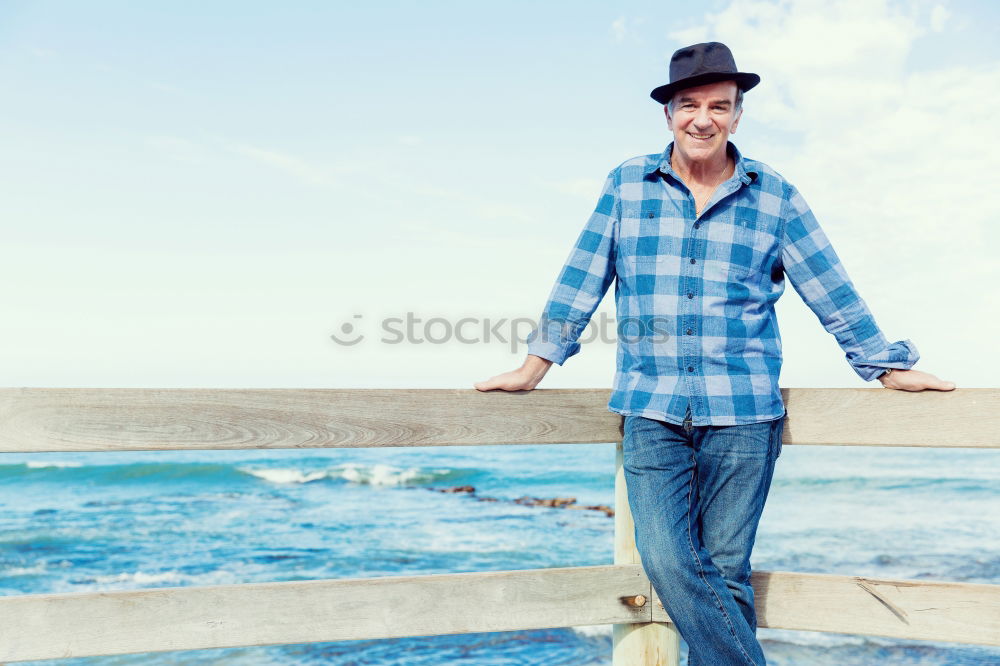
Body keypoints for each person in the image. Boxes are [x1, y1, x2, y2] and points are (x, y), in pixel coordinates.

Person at [474, 41, 955, 665]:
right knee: (670, 561)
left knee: (726, 574)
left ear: (737, 114)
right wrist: (533, 367)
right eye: (689, 104)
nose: (703, 118)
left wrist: (883, 365)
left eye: (719, 106)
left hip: (745, 412)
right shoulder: (627, 184)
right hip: (653, 407)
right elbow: (582, 277)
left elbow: (828, 284)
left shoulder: (775, 194)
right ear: (668, 113)